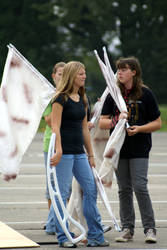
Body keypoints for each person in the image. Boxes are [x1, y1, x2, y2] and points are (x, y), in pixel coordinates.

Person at [99, 57, 161, 244]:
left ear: (134, 72)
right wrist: (115, 122)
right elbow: (102, 121)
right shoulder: (113, 93)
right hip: (119, 148)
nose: (120, 73)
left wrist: (140, 129)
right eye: (118, 69)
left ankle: (150, 229)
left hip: (140, 148)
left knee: (140, 187)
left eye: (124, 69)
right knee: (124, 189)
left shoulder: (145, 94)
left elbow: (158, 123)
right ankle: (127, 229)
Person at [49, 61, 109, 248]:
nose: (84, 76)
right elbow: (55, 126)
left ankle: (95, 236)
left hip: (79, 153)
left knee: (91, 190)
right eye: (81, 74)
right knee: (62, 194)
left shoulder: (83, 98)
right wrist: (58, 150)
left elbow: (84, 128)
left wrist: (90, 155)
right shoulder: (60, 98)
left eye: (84, 73)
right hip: (64, 153)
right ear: (71, 76)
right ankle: (63, 237)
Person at [42, 62, 65, 233]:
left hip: (69, 143)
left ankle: (57, 220)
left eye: (65, 74)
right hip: (51, 142)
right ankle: (53, 222)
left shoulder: (71, 94)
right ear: (53, 76)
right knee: (52, 185)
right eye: (59, 74)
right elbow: (50, 120)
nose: (62, 77)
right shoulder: (49, 96)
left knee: (65, 186)